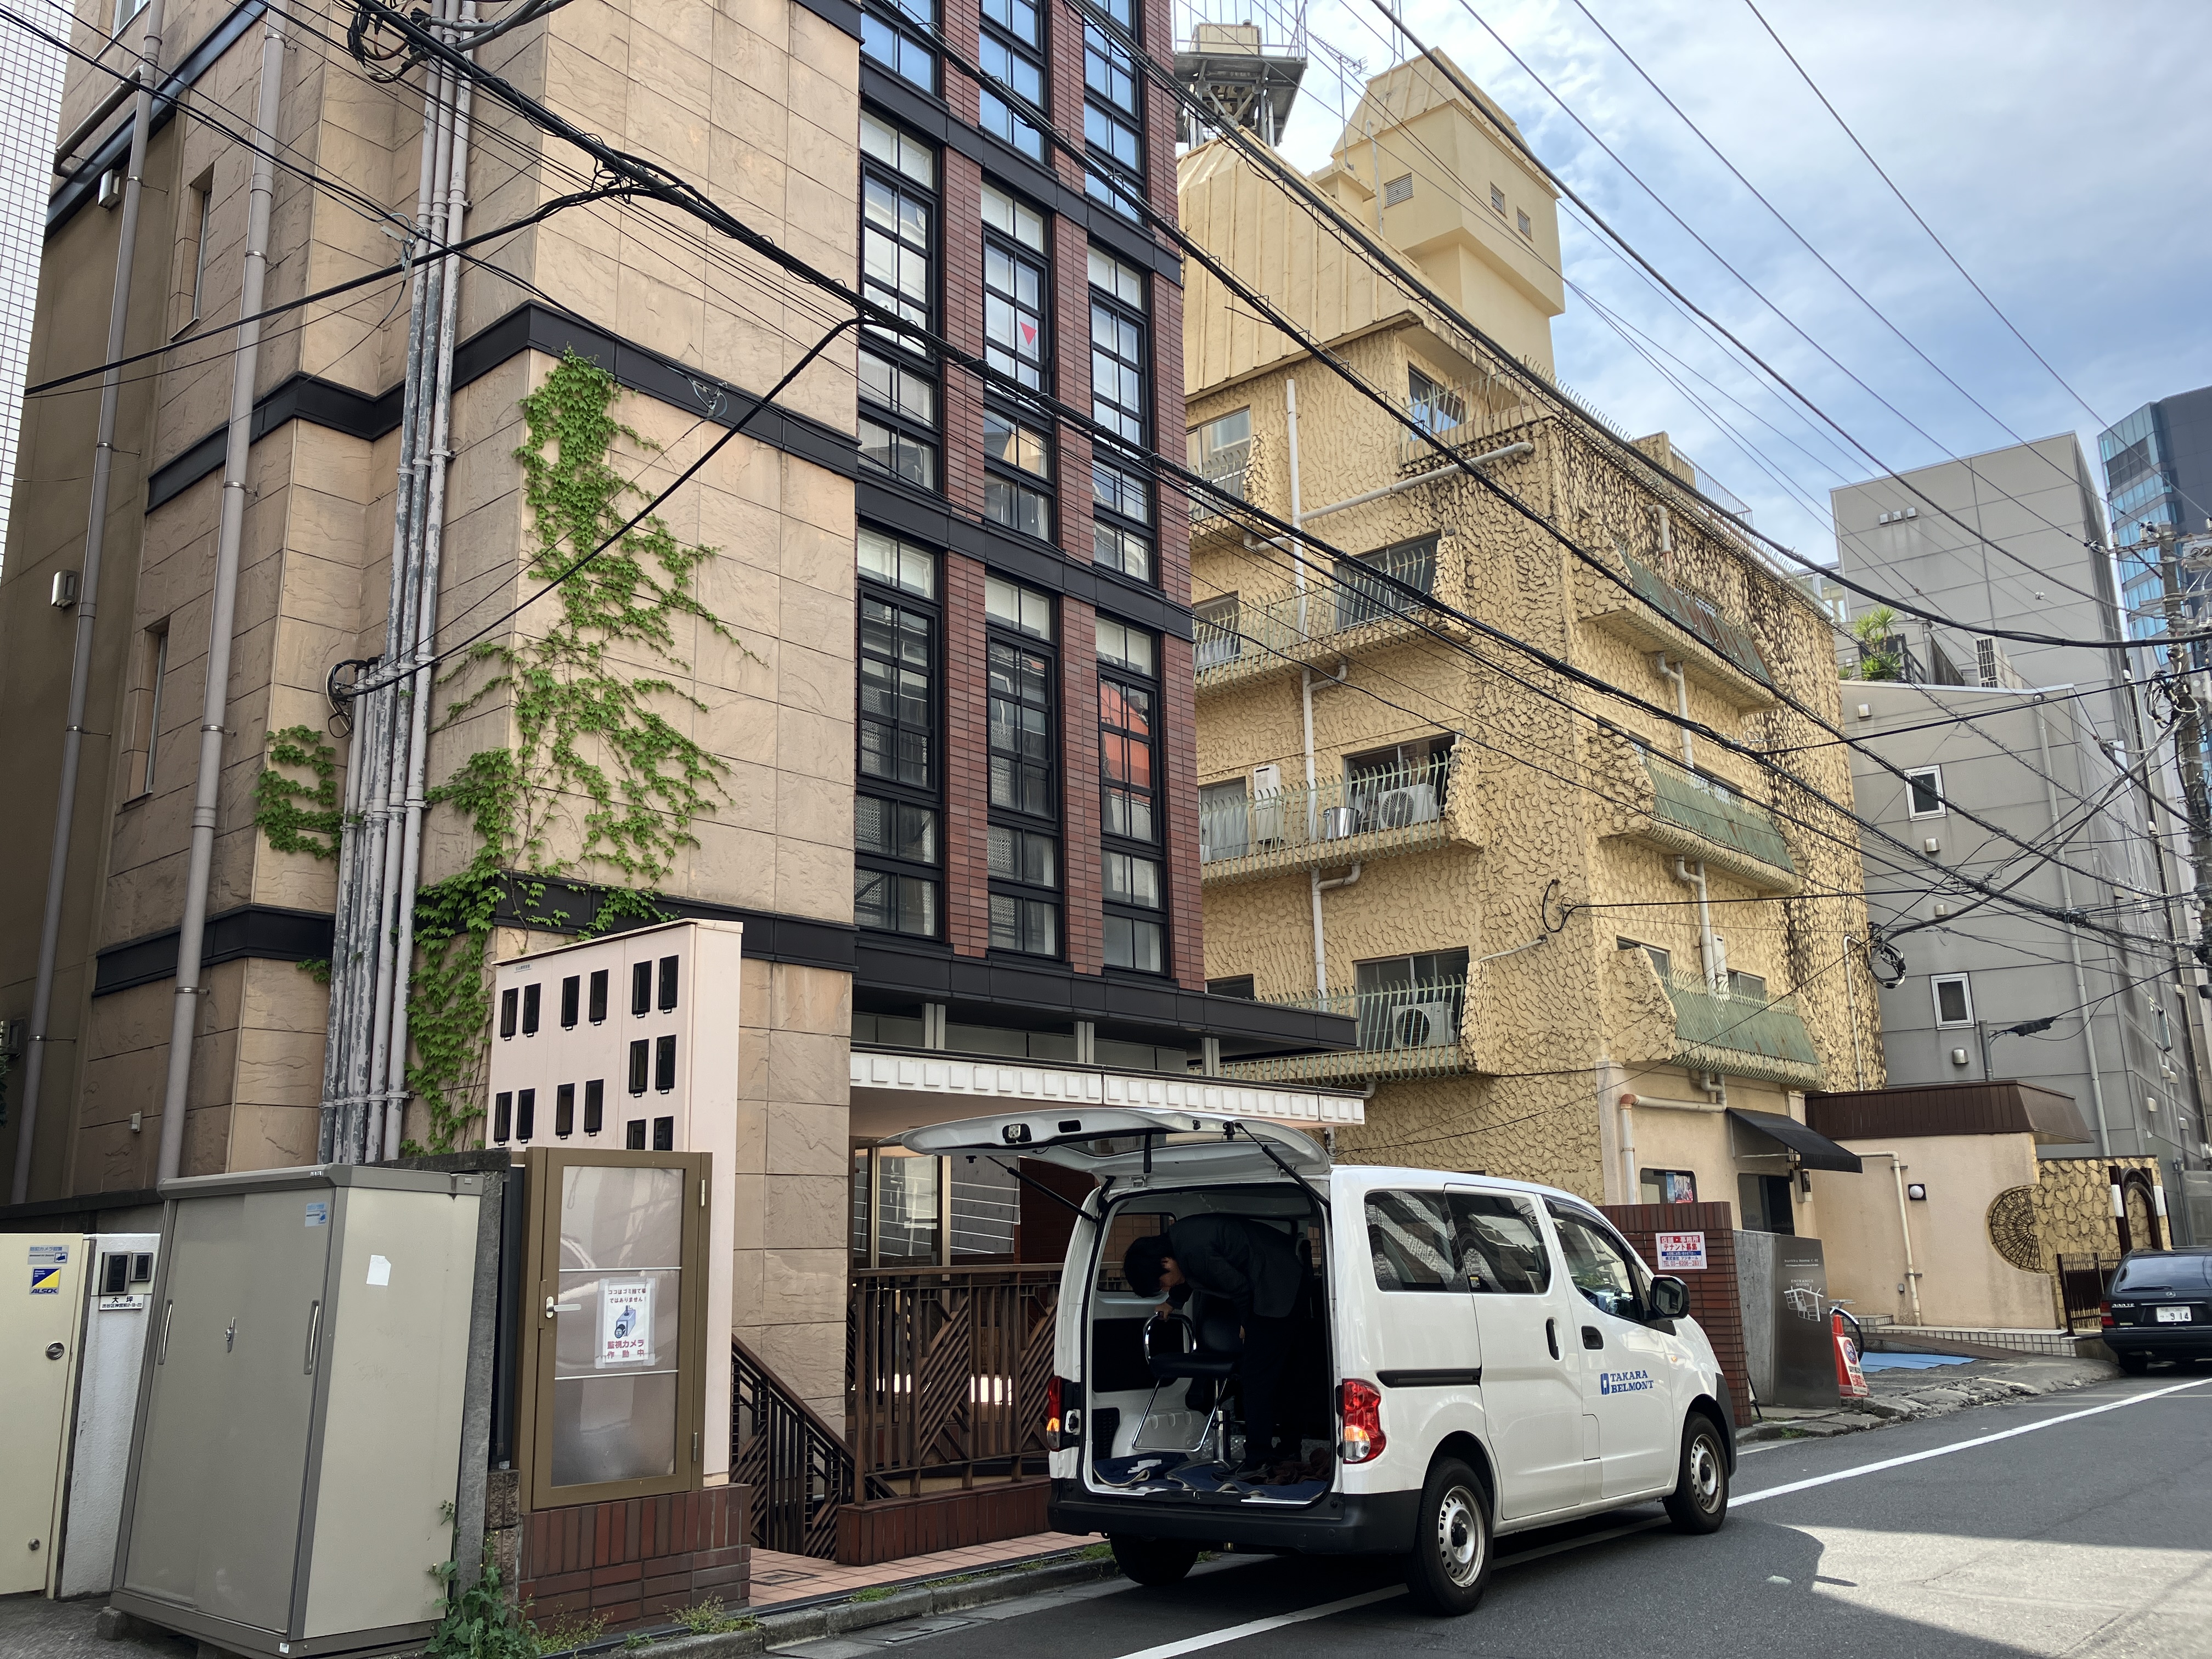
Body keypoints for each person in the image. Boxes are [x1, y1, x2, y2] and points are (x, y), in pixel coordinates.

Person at [1125, 1215, 1304, 1477]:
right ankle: (1287, 1450)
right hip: (1279, 1275)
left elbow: (1239, 1287)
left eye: (1162, 1283)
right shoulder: (1181, 1242)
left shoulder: (1193, 1251)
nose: (1166, 1287)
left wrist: (1247, 1323)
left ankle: (1258, 1460)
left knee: (1257, 1378)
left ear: (1165, 1262)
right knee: (1280, 1373)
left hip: (1277, 1283)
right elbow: (1188, 1274)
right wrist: (1172, 1303)